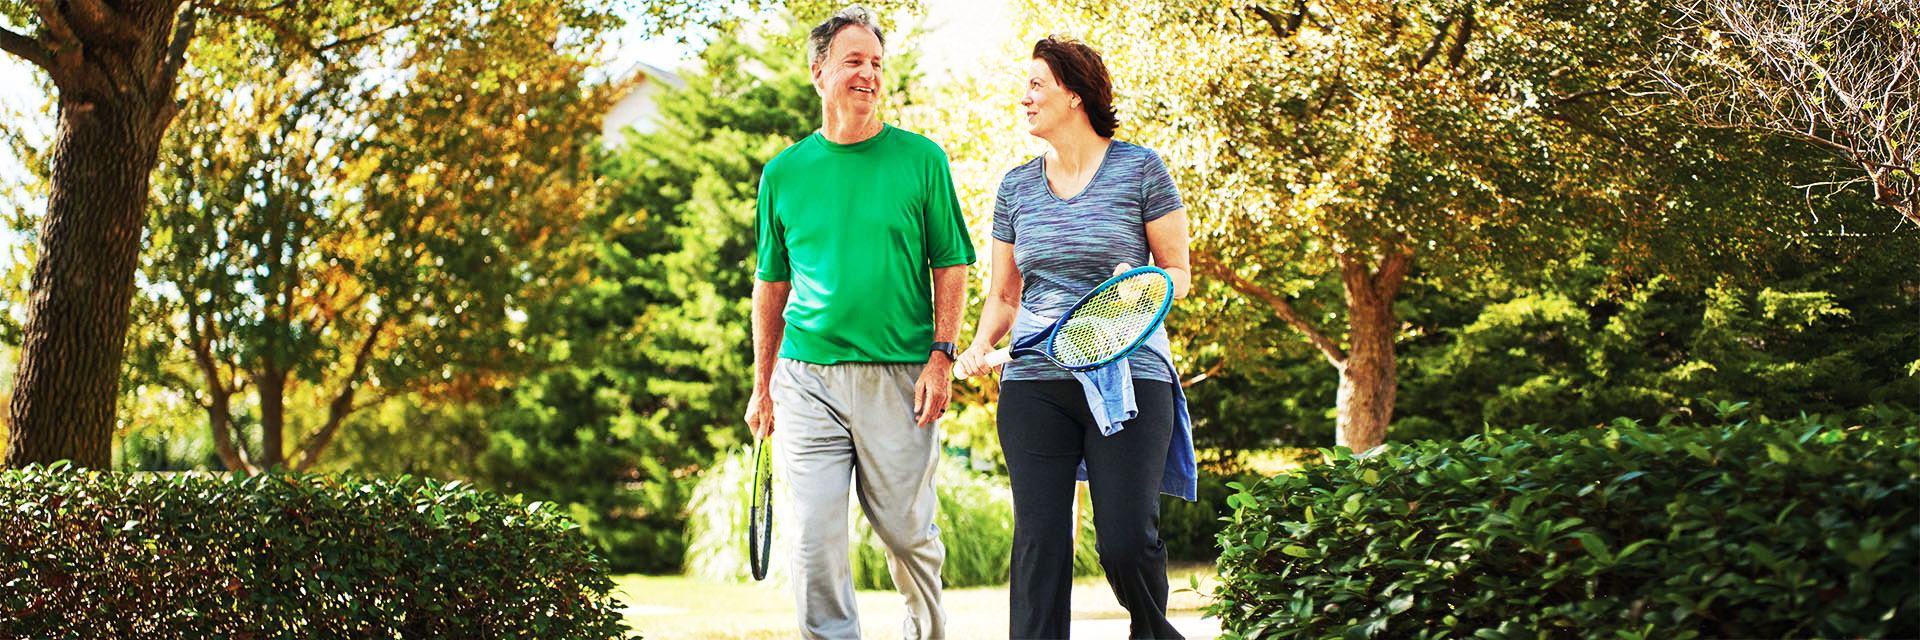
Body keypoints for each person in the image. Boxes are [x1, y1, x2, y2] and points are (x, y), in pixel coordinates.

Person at [744, 5, 976, 639]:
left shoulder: (921, 159)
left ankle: (924, 632)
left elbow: (952, 263)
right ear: (819, 72)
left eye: (876, 63)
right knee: (815, 538)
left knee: (906, 532)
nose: (868, 75)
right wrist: (762, 386)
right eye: (853, 61)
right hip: (806, 376)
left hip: (900, 374)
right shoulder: (784, 173)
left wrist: (942, 354)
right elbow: (771, 285)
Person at [954, 36, 1198, 640]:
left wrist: (1141, 283)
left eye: (1036, 84)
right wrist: (980, 345)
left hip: (1129, 376)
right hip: (1036, 380)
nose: (1024, 96)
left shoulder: (1140, 169)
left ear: (1074, 93)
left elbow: (1180, 274)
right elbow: (1005, 296)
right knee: (1039, 542)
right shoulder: (1016, 187)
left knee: (1124, 538)